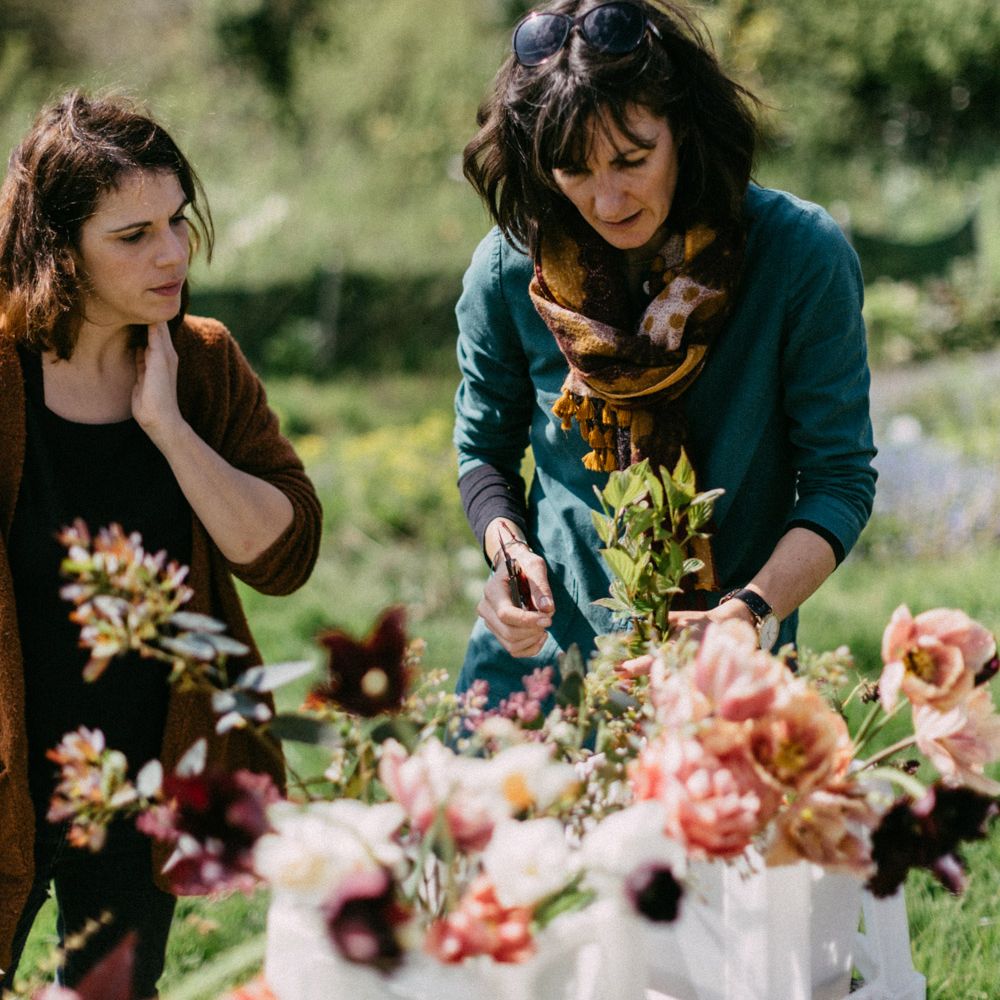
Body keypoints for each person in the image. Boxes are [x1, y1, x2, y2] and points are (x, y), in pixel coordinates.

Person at [454, 0, 877, 705]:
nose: (608, 198)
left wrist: (751, 613)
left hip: (726, 673)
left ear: (683, 126)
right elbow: (484, 456)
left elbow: (839, 480)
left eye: (631, 159)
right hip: (539, 682)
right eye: (573, 169)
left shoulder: (799, 256)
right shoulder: (506, 271)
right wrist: (510, 558)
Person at [0, 91, 322, 997]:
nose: (174, 252)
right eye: (132, 235)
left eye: (176, 220)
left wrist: (170, 429)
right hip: (8, 781)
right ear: (58, 247)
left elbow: (284, 556)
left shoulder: (203, 360)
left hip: (144, 787)